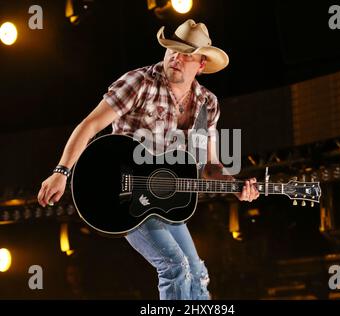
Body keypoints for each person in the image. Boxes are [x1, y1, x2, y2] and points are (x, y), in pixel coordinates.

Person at [37, 19, 259, 300]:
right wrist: (61, 171)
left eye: (187, 54)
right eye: (172, 50)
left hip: (164, 199)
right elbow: (90, 124)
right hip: (125, 196)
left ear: (201, 64)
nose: (176, 58)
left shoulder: (207, 103)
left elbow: (210, 167)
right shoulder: (140, 82)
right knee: (175, 266)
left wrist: (235, 185)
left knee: (197, 272)